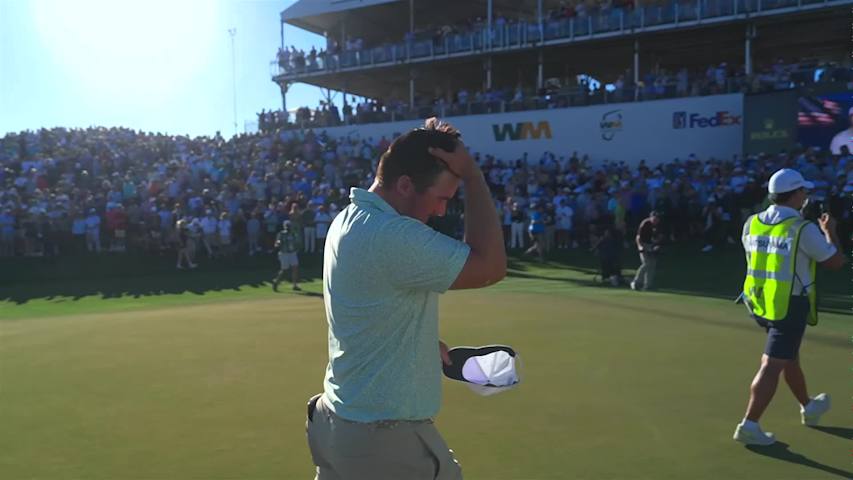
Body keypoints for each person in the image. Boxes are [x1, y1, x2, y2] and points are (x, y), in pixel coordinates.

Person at [306, 119, 506, 480]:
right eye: (442, 198)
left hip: (340, 426)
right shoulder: (391, 234)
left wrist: (415, 345)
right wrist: (474, 178)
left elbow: (375, 302)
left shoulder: (349, 218)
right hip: (382, 444)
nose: (442, 211)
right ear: (404, 185)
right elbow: (490, 266)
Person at [733, 168, 847, 445]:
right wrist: (830, 231)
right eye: (803, 191)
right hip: (789, 304)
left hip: (760, 302)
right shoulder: (802, 228)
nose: (806, 196)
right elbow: (835, 262)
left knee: (787, 356)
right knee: (772, 364)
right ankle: (750, 424)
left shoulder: (752, 222)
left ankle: (808, 406)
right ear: (795, 194)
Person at [630, 210, 662, 291]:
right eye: (654, 218)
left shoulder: (657, 225)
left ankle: (648, 285)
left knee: (652, 265)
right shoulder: (645, 223)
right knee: (646, 263)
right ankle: (635, 282)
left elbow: (657, 237)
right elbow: (638, 237)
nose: (656, 220)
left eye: (657, 219)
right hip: (643, 244)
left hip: (650, 245)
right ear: (650, 217)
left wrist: (656, 245)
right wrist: (640, 247)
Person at [272, 220, 301, 291]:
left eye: (289, 226)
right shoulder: (281, 234)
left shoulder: (293, 234)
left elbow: (297, 242)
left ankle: (294, 285)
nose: (288, 227)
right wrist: (277, 244)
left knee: (295, 268)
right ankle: (276, 282)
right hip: (284, 253)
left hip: (292, 253)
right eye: (287, 226)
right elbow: (277, 242)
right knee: (284, 270)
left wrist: (296, 248)